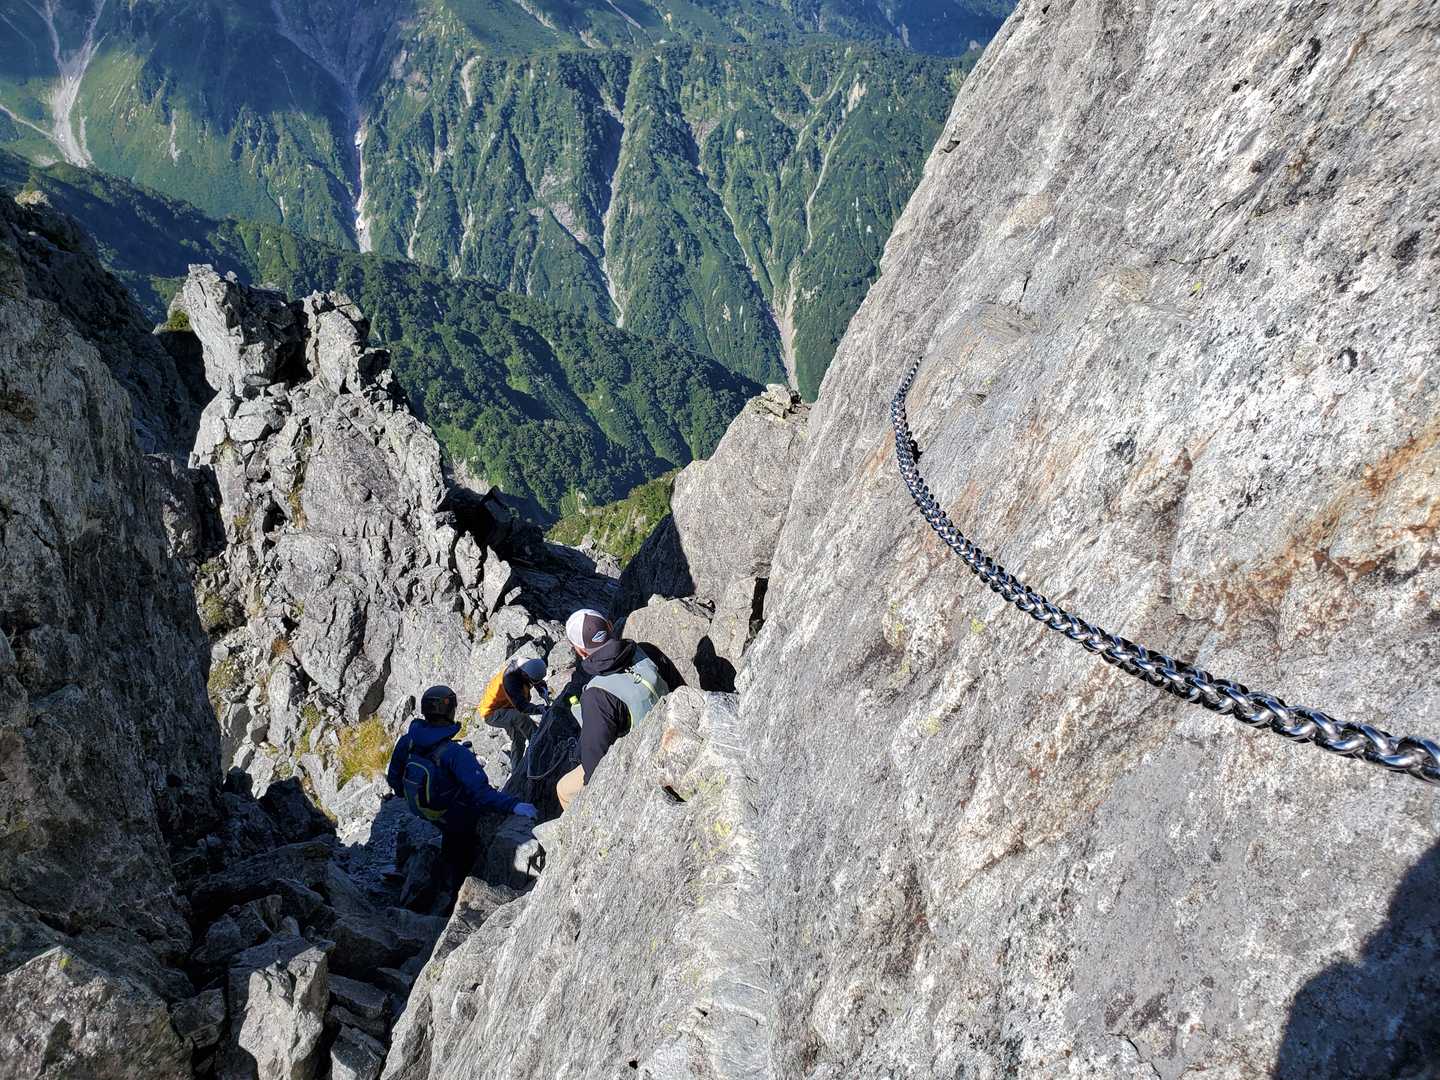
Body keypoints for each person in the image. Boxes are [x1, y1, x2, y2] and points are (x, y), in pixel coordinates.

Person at [386, 685, 537, 895]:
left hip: (419, 806)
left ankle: (435, 873)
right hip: (453, 814)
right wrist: (514, 805)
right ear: (450, 711)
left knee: (450, 834)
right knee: (463, 843)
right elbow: (482, 794)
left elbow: (394, 777)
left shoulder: (407, 741)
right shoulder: (455, 753)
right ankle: (455, 889)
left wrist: (408, 794)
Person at [556, 609, 671, 812]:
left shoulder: (597, 696)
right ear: (610, 626)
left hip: (640, 761)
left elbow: (595, 768)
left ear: (580, 651)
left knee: (564, 789)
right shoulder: (644, 651)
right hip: (671, 734)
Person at [477, 656, 549, 770]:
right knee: (521, 718)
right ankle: (541, 746)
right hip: (491, 713)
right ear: (525, 675)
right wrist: (539, 709)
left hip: (506, 707)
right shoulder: (510, 680)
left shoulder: (527, 665)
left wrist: (542, 689)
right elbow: (522, 707)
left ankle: (516, 769)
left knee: (518, 737)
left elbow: (535, 677)